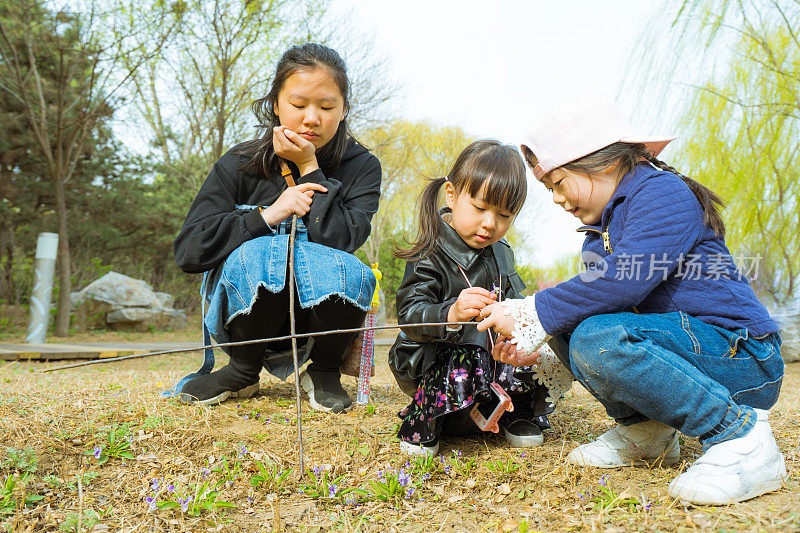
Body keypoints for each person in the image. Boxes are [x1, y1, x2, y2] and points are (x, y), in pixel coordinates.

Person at [478, 96, 786, 505]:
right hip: (690, 349)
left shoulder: (662, 193)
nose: (555, 198)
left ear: (600, 161)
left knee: (588, 329)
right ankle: (646, 433)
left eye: (558, 183)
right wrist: (545, 349)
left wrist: (529, 310)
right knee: (576, 320)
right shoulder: (598, 232)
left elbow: (624, 282)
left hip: (743, 356)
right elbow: (595, 298)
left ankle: (742, 437)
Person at [172, 43, 381, 413]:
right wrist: (267, 215)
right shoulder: (239, 163)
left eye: (327, 107)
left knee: (356, 271)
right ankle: (242, 370)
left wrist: (309, 166)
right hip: (245, 317)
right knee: (266, 250)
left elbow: (342, 240)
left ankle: (325, 372)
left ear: (344, 109)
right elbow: (190, 250)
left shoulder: (362, 167)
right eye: (299, 106)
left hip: (319, 322)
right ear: (276, 104)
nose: (312, 118)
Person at [388, 139, 572, 457]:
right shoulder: (429, 251)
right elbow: (409, 314)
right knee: (468, 354)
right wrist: (452, 313)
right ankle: (425, 417)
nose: (490, 223)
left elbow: (518, 303)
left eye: (504, 215)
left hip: (491, 358)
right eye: (479, 208)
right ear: (451, 194)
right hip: (434, 358)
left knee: (543, 356)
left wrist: (520, 338)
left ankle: (519, 414)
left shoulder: (503, 253)